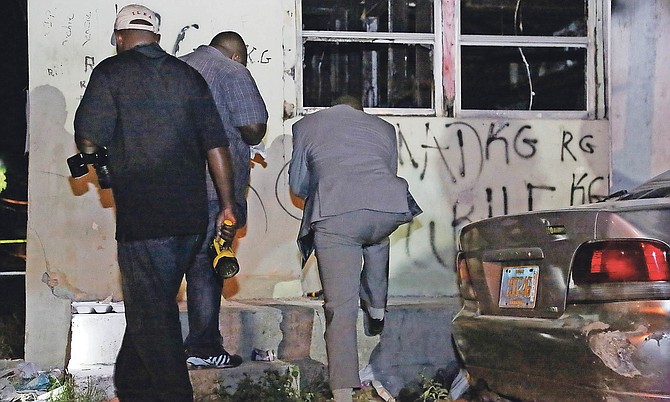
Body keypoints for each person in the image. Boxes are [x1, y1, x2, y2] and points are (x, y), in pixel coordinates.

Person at [73, 4, 237, 401]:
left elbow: (87, 136)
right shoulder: (189, 76)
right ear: (158, 37)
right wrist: (228, 205)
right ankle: (130, 388)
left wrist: (103, 169)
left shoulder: (111, 73)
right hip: (193, 220)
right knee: (153, 303)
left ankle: (174, 394)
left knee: (155, 314)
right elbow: (217, 144)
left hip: (145, 218)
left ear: (119, 37)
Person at [288, 96, 421, 402]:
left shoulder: (306, 125)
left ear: (330, 107)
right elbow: (384, 173)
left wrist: (326, 186)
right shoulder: (385, 128)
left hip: (336, 214)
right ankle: (376, 306)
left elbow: (298, 185)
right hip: (389, 206)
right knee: (375, 235)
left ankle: (343, 393)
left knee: (341, 308)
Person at [179, 31, 268, 368]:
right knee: (206, 264)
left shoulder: (178, 66)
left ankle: (161, 353)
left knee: (171, 267)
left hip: (171, 188)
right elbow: (254, 128)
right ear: (236, 56)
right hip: (213, 188)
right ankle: (203, 348)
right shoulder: (233, 71)